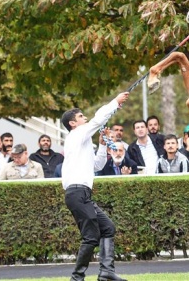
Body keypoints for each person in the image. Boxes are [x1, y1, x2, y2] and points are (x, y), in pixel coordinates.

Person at [61, 91, 129, 281]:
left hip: (82, 193)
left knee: (107, 228)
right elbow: (98, 120)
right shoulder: (76, 134)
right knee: (90, 237)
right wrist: (115, 102)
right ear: (73, 123)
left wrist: (101, 145)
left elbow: (97, 165)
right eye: (81, 116)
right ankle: (77, 278)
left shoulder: (82, 141)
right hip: (77, 193)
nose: (85, 118)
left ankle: (106, 272)